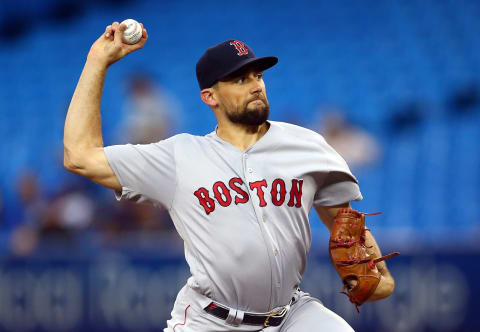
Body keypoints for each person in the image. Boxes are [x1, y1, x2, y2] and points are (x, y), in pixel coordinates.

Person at [63, 21, 395, 332]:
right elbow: (79, 157)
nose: (255, 86)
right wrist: (97, 61)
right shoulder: (179, 157)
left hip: (291, 315)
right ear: (210, 97)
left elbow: (346, 223)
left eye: (257, 75)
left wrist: (378, 273)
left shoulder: (307, 146)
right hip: (210, 320)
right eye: (239, 80)